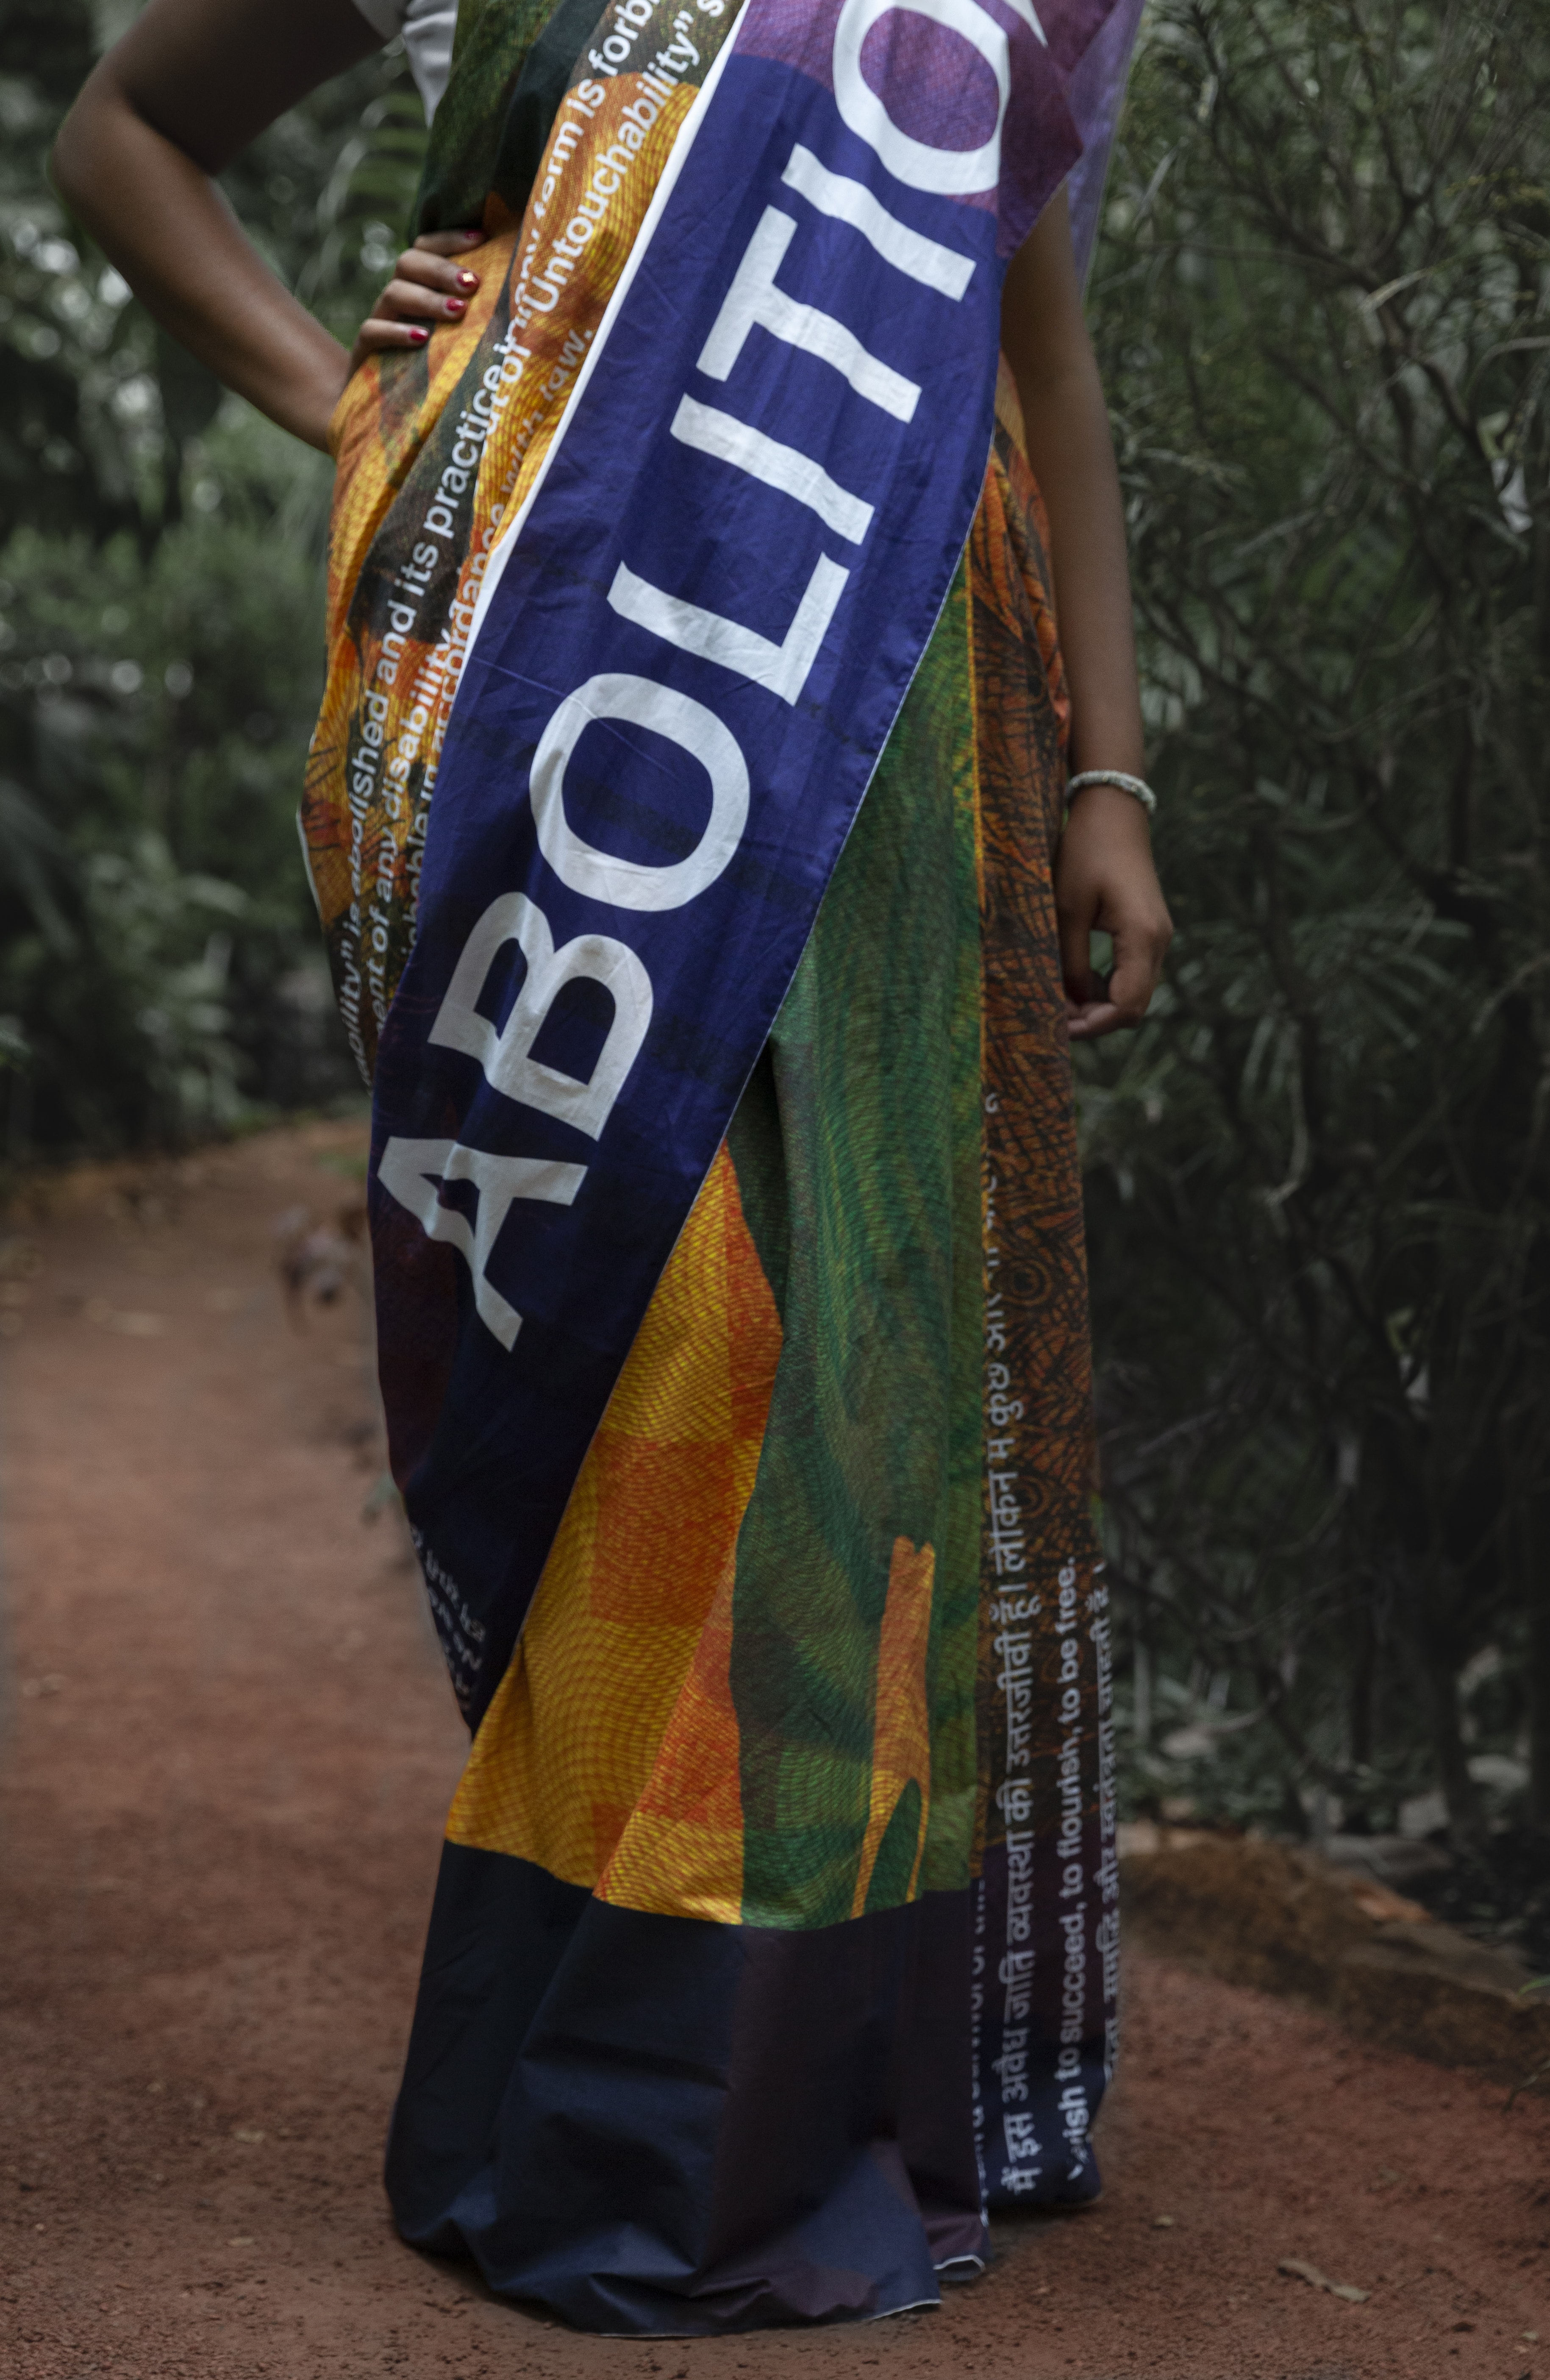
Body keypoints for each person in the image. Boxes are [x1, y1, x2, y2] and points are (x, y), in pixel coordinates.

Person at [56, 0, 1171, 2337]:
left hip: (890, 715)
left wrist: (1111, 777)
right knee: (659, 1327)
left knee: (853, 1372)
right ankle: (627, 2087)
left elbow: (1036, 351)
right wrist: (356, 405)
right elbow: (126, 133)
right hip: (552, 695)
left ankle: (756, 2068)